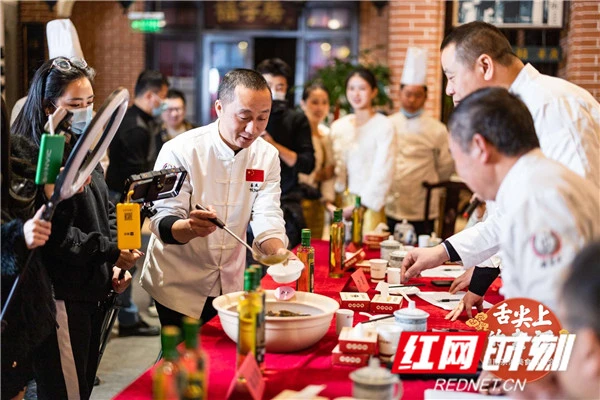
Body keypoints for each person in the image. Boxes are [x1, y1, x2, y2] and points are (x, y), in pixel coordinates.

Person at [402, 21, 600, 309]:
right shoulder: (513, 110)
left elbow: (577, 220)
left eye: (452, 77)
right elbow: (510, 214)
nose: (449, 90)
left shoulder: (551, 104)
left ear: (484, 65)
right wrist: (444, 252)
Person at [11, 57, 136, 399]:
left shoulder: (84, 145)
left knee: (80, 386)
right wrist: (109, 251)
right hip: (59, 295)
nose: (84, 111)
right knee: (64, 392)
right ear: (50, 106)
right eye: (74, 104)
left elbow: (106, 207)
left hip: (92, 288)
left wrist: (116, 261)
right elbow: (52, 236)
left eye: (89, 103)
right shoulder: (32, 157)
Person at [140, 69, 289, 331]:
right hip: (177, 280)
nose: (253, 129)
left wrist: (276, 251)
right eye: (244, 117)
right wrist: (190, 227)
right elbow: (161, 217)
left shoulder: (267, 156)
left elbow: (268, 213)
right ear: (219, 107)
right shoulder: (180, 149)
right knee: (181, 357)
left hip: (230, 278)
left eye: (262, 118)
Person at [439, 87, 599, 316]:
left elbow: (548, 315)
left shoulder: (538, 199)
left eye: (457, 158)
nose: (461, 174)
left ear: (480, 148)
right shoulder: (532, 182)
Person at [106, 69, 169, 337]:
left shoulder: (137, 119)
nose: (163, 104)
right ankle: (126, 317)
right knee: (125, 255)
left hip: (125, 200)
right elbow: (135, 176)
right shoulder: (135, 127)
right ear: (151, 95)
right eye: (163, 98)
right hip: (124, 203)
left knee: (126, 255)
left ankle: (129, 314)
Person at [386, 47, 455, 237]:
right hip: (393, 201)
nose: (411, 99)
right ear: (400, 93)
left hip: (422, 203)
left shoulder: (437, 129)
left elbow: (445, 166)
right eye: (408, 94)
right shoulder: (387, 125)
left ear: (425, 96)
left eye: (417, 95)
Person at [253, 58, 315, 249]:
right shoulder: (249, 116)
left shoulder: (296, 119)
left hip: (285, 202)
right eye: (268, 85)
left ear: (286, 88)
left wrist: (273, 145)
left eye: (279, 86)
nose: (273, 91)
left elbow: (307, 163)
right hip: (249, 201)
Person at [330, 67, 395, 233]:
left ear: (373, 92)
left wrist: (360, 206)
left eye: (362, 88)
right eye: (351, 88)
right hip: (340, 204)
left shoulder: (384, 125)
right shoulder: (339, 126)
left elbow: (384, 169)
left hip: (369, 204)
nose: (356, 94)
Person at [299, 82, 335, 239]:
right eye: (314, 102)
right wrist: (316, 176)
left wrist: (328, 201)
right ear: (303, 104)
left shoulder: (326, 134)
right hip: (300, 201)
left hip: (319, 203)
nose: (319, 108)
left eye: (324, 102)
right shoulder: (297, 133)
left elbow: (330, 171)